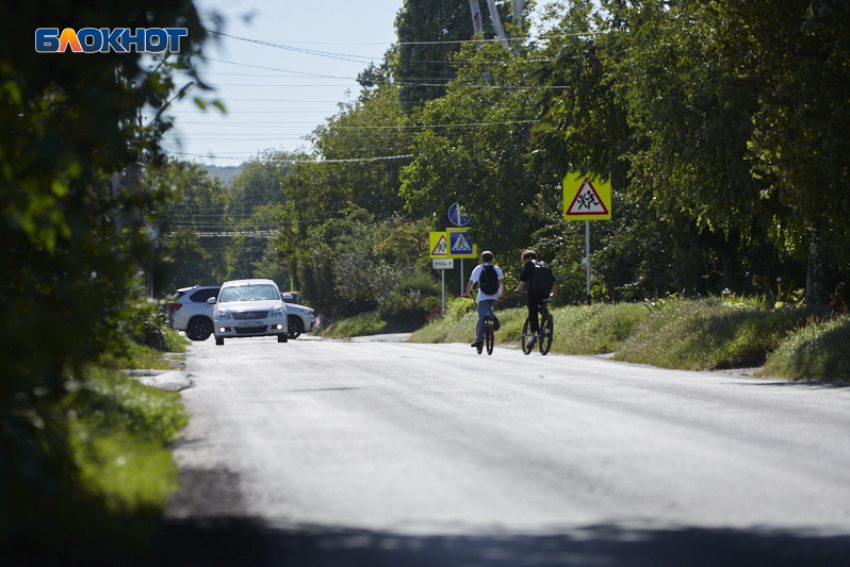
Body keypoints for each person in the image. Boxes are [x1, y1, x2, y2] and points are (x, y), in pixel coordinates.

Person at [461, 251, 506, 349]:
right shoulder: (496, 268)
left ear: (482, 259)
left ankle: (478, 340)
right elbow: (501, 282)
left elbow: (471, 282)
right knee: (488, 307)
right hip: (495, 294)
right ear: (492, 259)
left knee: (481, 318)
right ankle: (493, 317)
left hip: (483, 294)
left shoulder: (478, 268)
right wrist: (501, 294)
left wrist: (467, 293)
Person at [513, 250, 558, 348]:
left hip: (533, 292)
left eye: (524, 260)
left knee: (532, 312)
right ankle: (547, 317)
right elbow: (554, 280)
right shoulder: (544, 265)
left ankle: (533, 336)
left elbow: (523, 280)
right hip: (545, 293)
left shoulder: (529, 264)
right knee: (542, 307)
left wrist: (518, 289)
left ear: (527, 258)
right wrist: (553, 294)